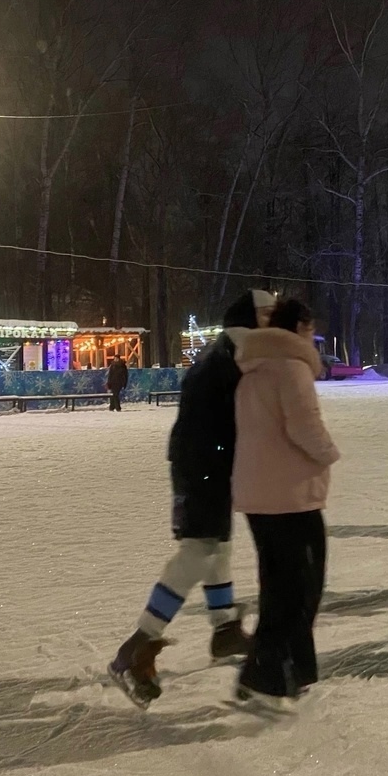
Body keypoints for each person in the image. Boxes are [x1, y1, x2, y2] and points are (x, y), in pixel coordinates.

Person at [109, 289, 276, 709]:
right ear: (252, 318)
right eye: (268, 314)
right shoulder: (238, 352)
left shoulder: (226, 350)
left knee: (216, 546)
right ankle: (137, 646)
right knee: (199, 550)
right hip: (203, 466)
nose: (274, 322)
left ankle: (223, 629)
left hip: (202, 464)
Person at [232, 298, 339, 708]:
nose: (312, 338)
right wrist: (329, 453)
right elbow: (304, 426)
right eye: (310, 330)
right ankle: (273, 672)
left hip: (259, 494)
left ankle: (275, 670)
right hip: (290, 495)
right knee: (300, 586)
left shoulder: (253, 368)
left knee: (279, 585)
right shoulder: (291, 367)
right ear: (299, 326)